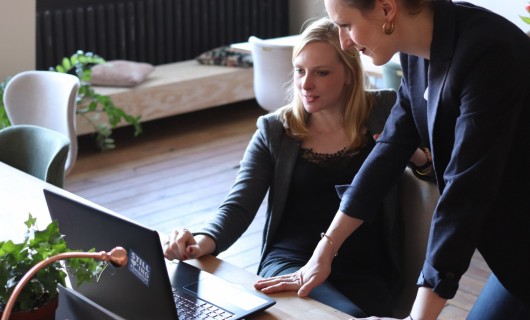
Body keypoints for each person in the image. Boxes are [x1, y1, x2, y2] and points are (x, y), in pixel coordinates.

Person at [253, 1, 530, 319]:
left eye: (346, 25)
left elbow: (465, 193)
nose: (344, 42)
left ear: (386, 9)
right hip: (513, 248)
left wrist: (417, 318)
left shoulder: (487, 51)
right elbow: (389, 149)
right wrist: (325, 250)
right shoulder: (419, 52)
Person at [164, 17, 432, 317]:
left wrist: (415, 156)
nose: (306, 84)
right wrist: (201, 241)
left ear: (349, 74)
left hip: (366, 268)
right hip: (290, 262)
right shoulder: (275, 130)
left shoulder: (386, 109)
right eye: (300, 71)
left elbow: (435, 174)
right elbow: (238, 205)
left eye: (321, 72)